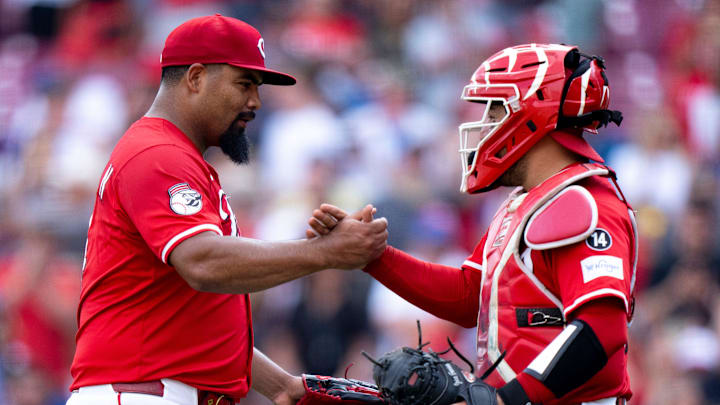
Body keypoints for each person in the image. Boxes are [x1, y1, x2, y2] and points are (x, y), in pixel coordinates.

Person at [66, 14, 388, 405]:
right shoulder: (157, 154)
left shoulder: (176, 156)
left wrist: (282, 386)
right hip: (142, 392)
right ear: (197, 78)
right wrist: (324, 253)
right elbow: (203, 262)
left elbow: (194, 316)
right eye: (243, 83)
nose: (255, 101)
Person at [310, 44, 635, 405]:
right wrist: (372, 256)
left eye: (495, 110)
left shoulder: (584, 202)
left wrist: (504, 400)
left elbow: (603, 329)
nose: (483, 127)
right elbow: (470, 298)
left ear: (533, 113)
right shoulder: (525, 200)